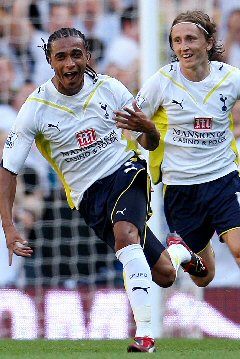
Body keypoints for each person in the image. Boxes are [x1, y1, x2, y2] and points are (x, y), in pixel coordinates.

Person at [0, 27, 207, 353]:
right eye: (61, 57)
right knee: (165, 274)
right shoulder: (36, 108)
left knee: (126, 236)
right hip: (89, 198)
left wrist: (150, 130)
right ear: (50, 61)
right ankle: (180, 251)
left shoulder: (110, 89)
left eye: (76, 55)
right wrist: (9, 227)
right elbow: (9, 169)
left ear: (88, 57)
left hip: (126, 172)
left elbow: (149, 143)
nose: (70, 64)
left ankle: (146, 335)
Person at [133, 10, 240, 290]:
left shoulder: (230, 78)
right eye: (177, 41)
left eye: (190, 39)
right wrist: (150, 134)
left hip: (223, 179)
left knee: (239, 247)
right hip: (181, 187)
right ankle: (182, 251)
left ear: (208, 42)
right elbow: (137, 133)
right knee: (204, 278)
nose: (184, 46)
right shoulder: (161, 81)